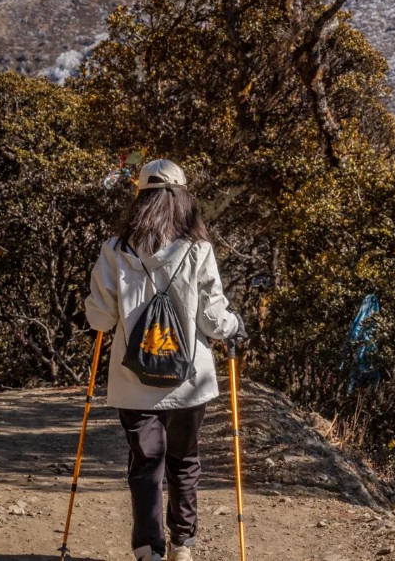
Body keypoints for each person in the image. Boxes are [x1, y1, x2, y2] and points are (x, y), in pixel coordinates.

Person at [85, 158, 244, 561]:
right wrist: (234, 326)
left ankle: (147, 551)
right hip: (189, 381)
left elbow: (99, 319)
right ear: (181, 199)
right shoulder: (198, 249)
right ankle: (182, 545)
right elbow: (212, 319)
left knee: (145, 463)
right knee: (184, 460)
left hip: (132, 382)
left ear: (141, 199)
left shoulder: (114, 251)